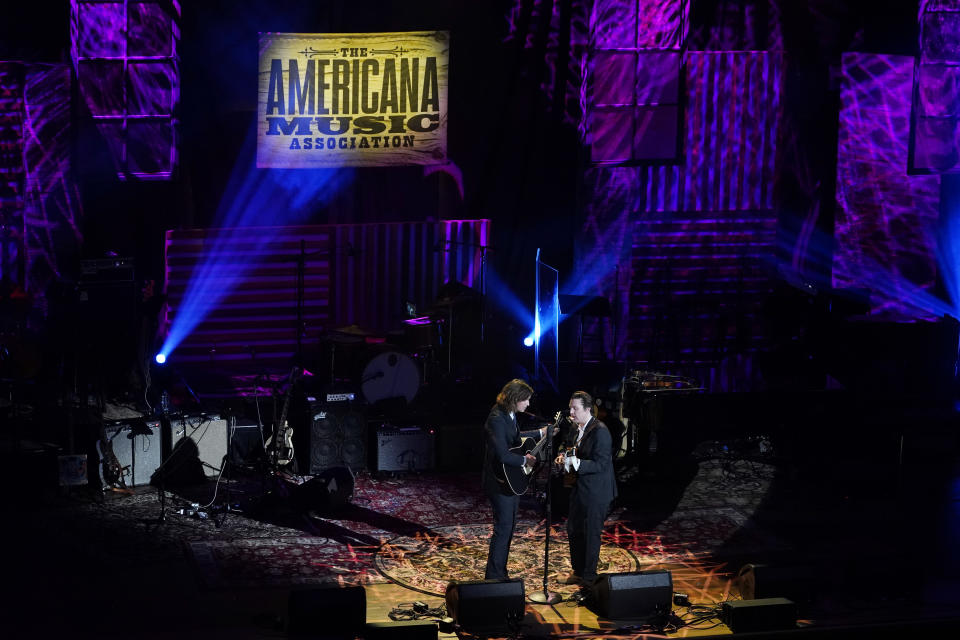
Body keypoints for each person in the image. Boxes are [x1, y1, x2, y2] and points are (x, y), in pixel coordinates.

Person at [482, 378, 551, 580]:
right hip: (499, 482)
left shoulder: (510, 414)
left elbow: (516, 436)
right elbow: (503, 454)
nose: (528, 404)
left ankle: (500, 572)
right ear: (516, 398)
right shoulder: (496, 418)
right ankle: (493, 577)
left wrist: (540, 433)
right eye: (526, 400)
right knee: (503, 529)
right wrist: (524, 460)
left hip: (509, 480)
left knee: (509, 527)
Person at [556, 390, 617, 587]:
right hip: (579, 487)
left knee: (591, 533)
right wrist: (561, 456)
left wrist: (577, 463)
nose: (571, 412)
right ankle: (578, 571)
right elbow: (566, 446)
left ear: (588, 409)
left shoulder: (600, 431)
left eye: (575, 408)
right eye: (570, 408)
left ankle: (589, 578)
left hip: (597, 491)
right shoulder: (575, 428)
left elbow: (601, 464)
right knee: (574, 529)